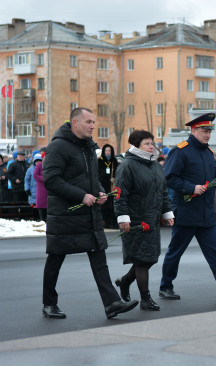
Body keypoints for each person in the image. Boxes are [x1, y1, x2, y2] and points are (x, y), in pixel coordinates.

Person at [42, 108, 139, 319]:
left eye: (94, 122)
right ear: (75, 123)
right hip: (65, 215)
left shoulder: (88, 147)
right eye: (88, 122)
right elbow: (51, 180)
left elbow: (89, 178)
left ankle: (112, 303)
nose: (93, 125)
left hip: (89, 214)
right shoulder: (58, 146)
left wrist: (99, 192)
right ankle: (49, 303)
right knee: (55, 259)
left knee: (99, 259)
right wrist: (81, 196)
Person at [160, 113, 216, 301]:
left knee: (214, 253)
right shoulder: (180, 151)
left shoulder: (209, 154)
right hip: (186, 211)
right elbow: (169, 178)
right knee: (175, 252)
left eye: (209, 131)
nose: (208, 135)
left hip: (206, 213)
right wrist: (191, 187)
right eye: (204, 131)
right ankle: (165, 286)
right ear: (193, 130)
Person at [113, 130, 174, 311]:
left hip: (152, 219)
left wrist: (167, 213)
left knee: (150, 258)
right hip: (136, 220)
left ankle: (125, 281)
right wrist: (123, 218)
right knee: (141, 260)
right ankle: (145, 298)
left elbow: (163, 191)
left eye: (152, 143)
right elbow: (120, 194)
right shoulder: (127, 166)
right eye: (147, 143)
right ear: (136, 146)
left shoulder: (155, 165)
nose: (151, 146)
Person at [98, 144, 118, 229]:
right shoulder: (99, 161)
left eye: (109, 151)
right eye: (106, 151)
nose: (107, 152)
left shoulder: (114, 161)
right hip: (103, 186)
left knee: (112, 206)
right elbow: (97, 174)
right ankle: (106, 222)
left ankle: (113, 222)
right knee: (104, 206)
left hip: (112, 186)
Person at [33, 152, 48, 222]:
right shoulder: (39, 165)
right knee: (41, 205)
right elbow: (35, 175)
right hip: (41, 188)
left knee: (48, 204)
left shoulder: (50, 164)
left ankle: (47, 219)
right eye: (44, 157)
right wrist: (44, 178)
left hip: (48, 188)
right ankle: (41, 219)